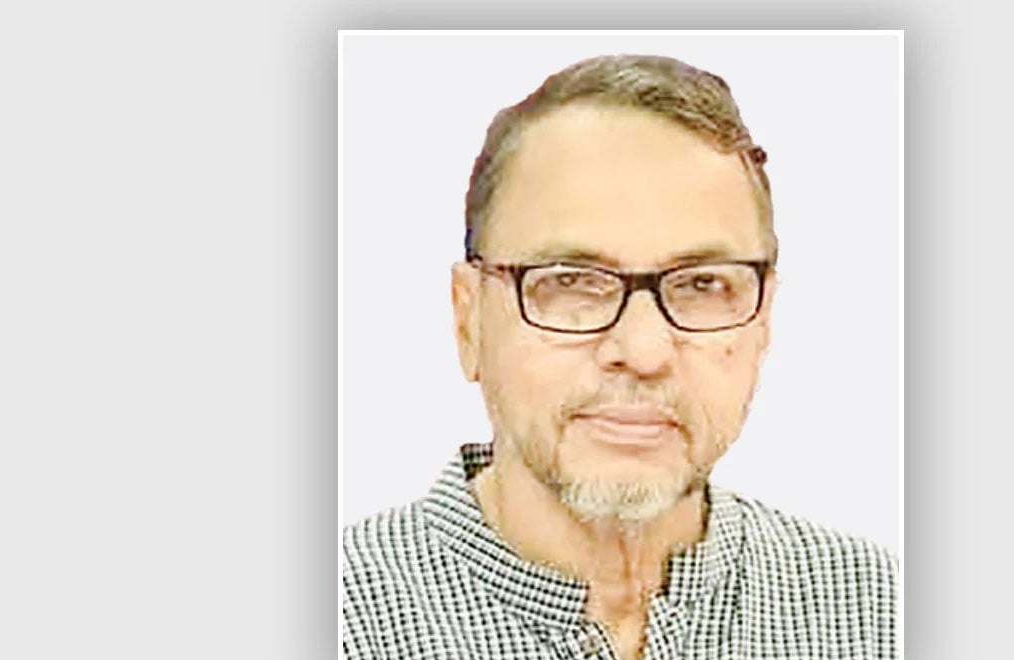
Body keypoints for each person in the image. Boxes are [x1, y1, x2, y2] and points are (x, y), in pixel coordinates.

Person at [341, 53, 898, 660]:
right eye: (571, 282)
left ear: (763, 322)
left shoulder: (883, 615)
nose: (643, 351)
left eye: (703, 284)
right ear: (467, 320)